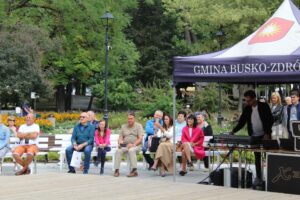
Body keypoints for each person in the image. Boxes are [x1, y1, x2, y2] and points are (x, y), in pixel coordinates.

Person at [231, 90, 274, 186]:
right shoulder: (247, 109)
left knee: (268, 156)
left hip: (265, 135)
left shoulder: (264, 106)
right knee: (257, 157)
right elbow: (241, 122)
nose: (247, 102)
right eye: (246, 100)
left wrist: (267, 132)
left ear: (254, 99)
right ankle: (259, 177)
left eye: (249, 100)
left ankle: (271, 177)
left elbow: (270, 119)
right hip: (254, 136)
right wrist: (233, 131)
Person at [114, 112, 144, 177]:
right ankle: (116, 170)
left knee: (131, 150)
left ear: (134, 119)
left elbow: (140, 139)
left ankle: (134, 170)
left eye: (131, 118)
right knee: (118, 151)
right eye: (128, 119)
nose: (129, 120)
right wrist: (120, 142)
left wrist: (133, 144)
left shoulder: (139, 126)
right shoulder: (123, 126)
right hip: (125, 146)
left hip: (136, 145)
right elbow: (120, 138)